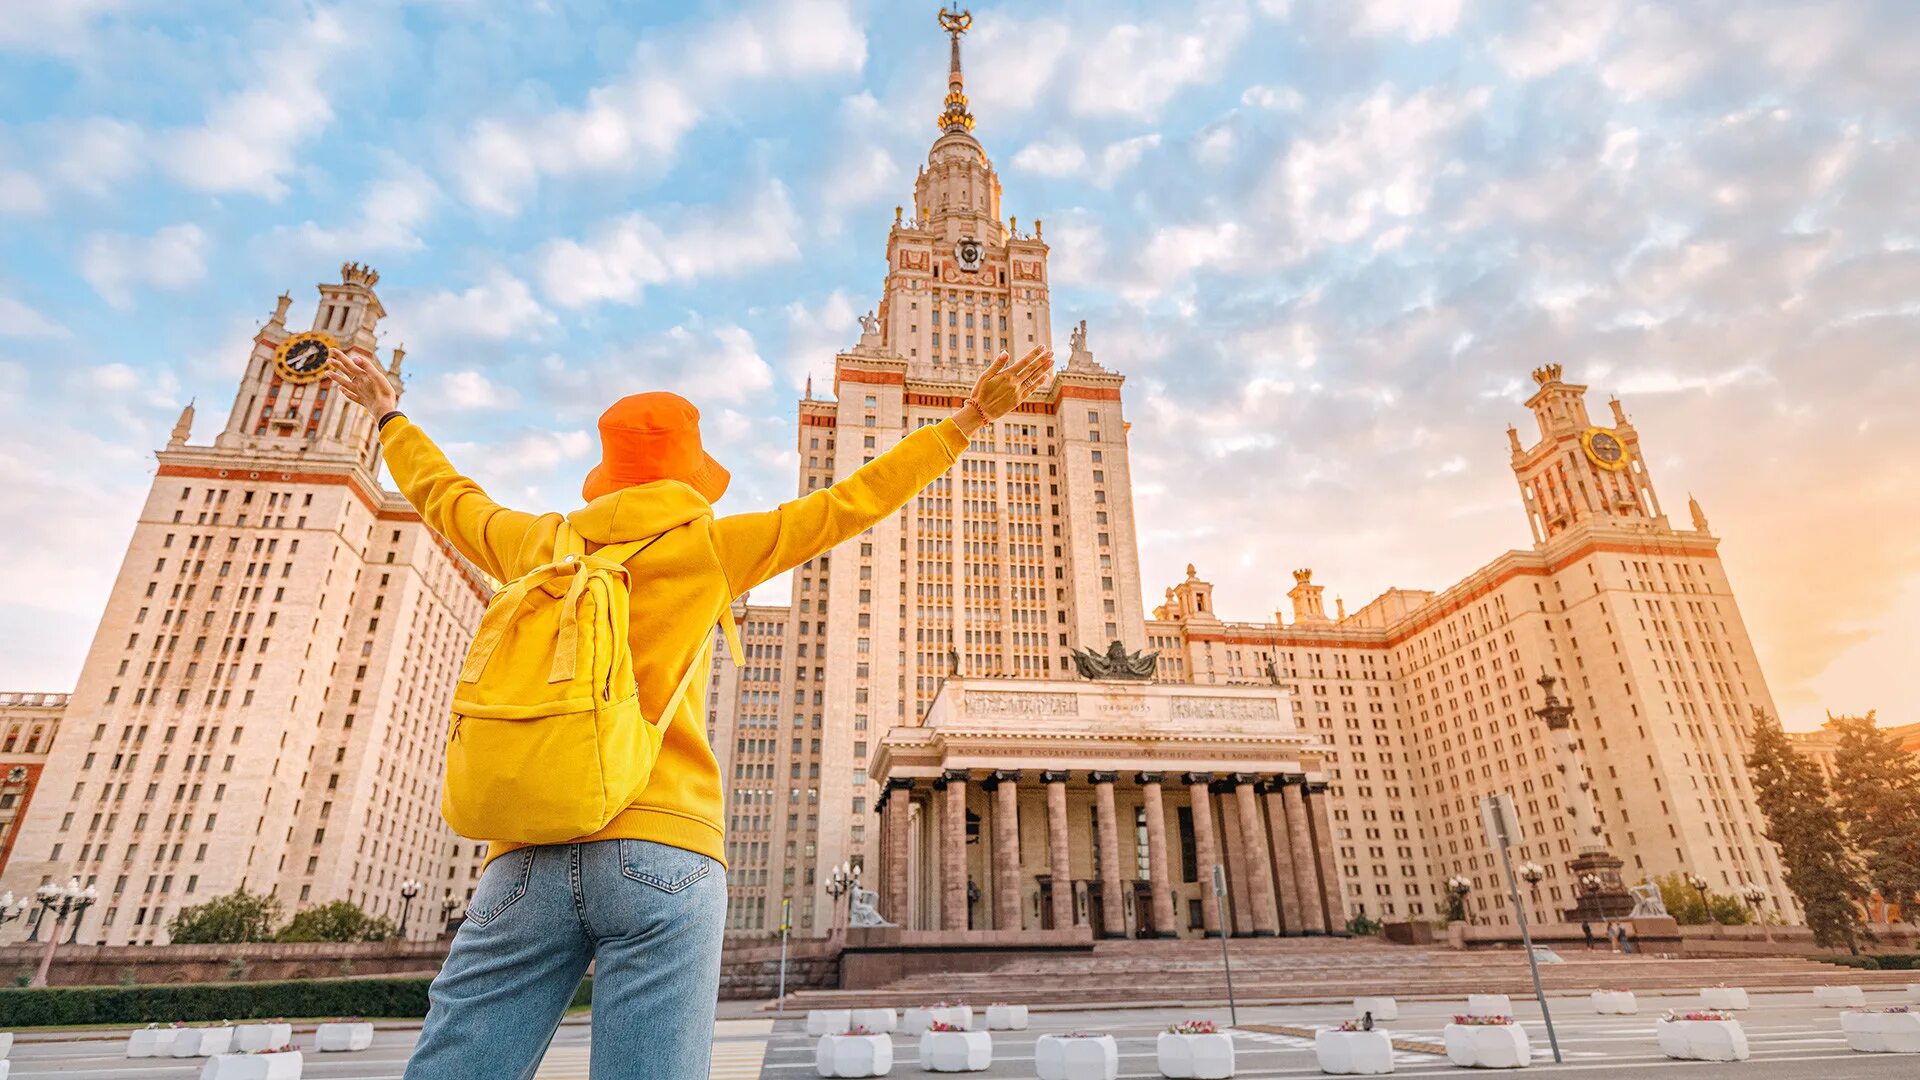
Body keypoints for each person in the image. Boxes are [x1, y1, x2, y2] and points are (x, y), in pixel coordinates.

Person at [327, 345, 1055, 1079]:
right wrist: (967, 419)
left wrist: (389, 414)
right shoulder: (710, 546)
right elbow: (853, 501)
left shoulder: (539, 545)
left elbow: (447, 496)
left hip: (526, 851)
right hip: (664, 851)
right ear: (688, 476)